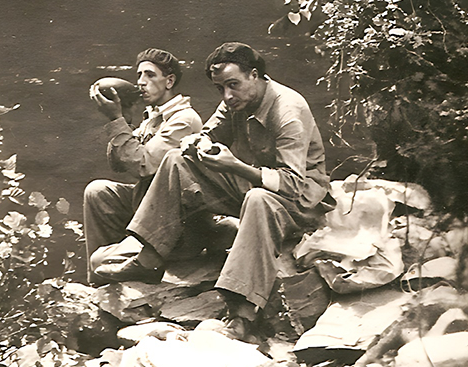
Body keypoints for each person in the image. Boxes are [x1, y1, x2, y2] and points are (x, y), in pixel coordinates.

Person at [95, 42, 334, 337]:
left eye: (232, 85)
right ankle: (149, 259)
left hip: (300, 201)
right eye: (220, 89)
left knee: (259, 199)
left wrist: (234, 165)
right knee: (176, 159)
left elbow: (293, 184)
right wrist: (198, 144)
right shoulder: (236, 98)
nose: (226, 96)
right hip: (256, 184)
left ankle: (242, 315)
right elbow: (208, 132)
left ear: (255, 75)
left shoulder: (287, 111)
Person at [84, 48, 202, 285]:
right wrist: (124, 119)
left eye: (150, 75)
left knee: (99, 262)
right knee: (97, 191)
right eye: (139, 75)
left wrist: (116, 122)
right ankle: (104, 280)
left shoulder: (183, 120)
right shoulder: (154, 116)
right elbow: (117, 164)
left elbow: (143, 165)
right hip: (150, 208)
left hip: (176, 225)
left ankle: (113, 270)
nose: (140, 83)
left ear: (169, 81)